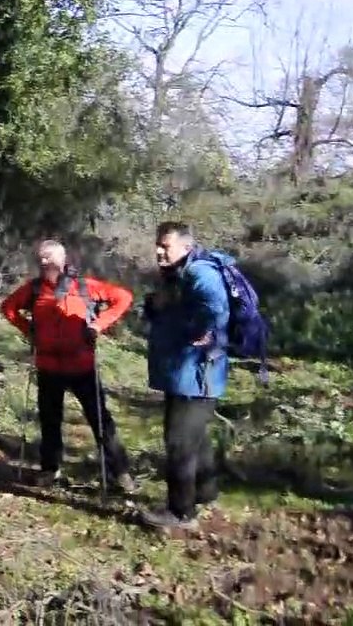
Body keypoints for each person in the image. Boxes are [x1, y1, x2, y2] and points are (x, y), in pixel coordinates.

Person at [0, 239, 137, 492]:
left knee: (100, 420)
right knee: (49, 421)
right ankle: (49, 470)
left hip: (81, 366)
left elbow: (123, 297)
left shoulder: (84, 286)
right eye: (41, 258)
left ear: (62, 261)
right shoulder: (33, 290)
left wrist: (98, 325)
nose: (44, 263)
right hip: (48, 365)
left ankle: (119, 471)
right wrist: (29, 331)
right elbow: (8, 308)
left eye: (49, 258)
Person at [141, 222, 228, 529]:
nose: (158, 251)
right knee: (196, 438)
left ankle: (181, 513)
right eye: (158, 244)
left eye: (165, 246)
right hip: (183, 374)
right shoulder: (178, 274)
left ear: (186, 247)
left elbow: (216, 309)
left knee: (179, 442)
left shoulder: (199, 273)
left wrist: (205, 332)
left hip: (196, 375)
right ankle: (205, 493)